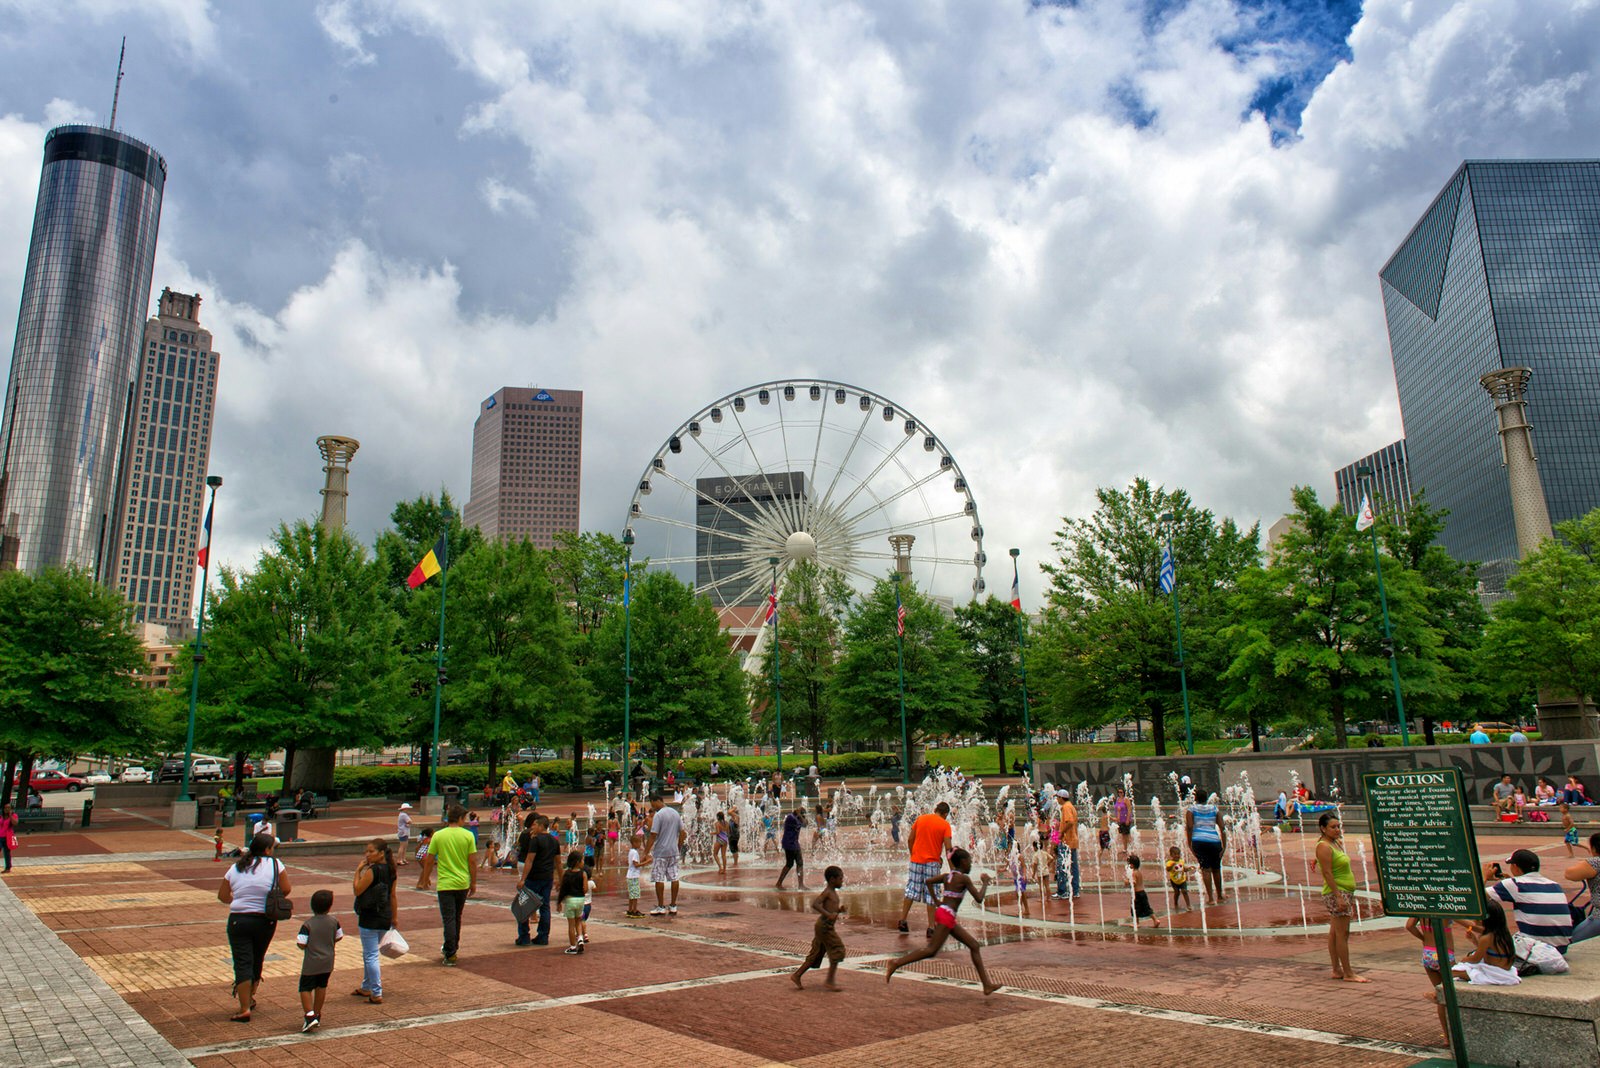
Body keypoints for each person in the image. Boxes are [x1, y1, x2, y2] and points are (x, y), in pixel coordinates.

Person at [884, 848, 1000, 995]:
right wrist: (985, 883)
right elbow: (978, 898)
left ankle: (987, 986)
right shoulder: (964, 879)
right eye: (970, 862)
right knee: (931, 950)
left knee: (974, 945)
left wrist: (937, 901)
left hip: (945, 914)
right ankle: (896, 963)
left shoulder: (948, 876)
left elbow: (928, 881)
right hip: (947, 916)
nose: (971, 865)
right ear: (963, 862)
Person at [217, 832, 291, 1022]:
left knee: (242, 961)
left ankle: (244, 1008)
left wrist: (240, 899)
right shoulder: (276, 865)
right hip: (265, 920)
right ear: (267, 850)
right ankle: (250, 997)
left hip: (238, 920)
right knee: (257, 958)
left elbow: (223, 896)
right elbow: (286, 889)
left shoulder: (235, 867)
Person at [1315, 812, 1368, 982]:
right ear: (1323, 829)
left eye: (1338, 826)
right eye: (1333, 827)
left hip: (1344, 891)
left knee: (1334, 933)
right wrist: (1338, 896)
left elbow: (1327, 862)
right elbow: (1328, 872)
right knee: (1342, 933)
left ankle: (1337, 970)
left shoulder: (1334, 843)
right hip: (1337, 892)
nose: (1337, 829)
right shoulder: (1324, 845)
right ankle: (1348, 973)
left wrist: (1315, 860)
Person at [1490, 848, 1572, 953]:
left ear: (1515, 866)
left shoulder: (1514, 883)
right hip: (1560, 948)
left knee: (1491, 945)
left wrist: (1484, 876)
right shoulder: (1554, 885)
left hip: (1535, 949)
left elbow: (1477, 898)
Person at [351, 839, 398, 1003]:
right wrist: (394, 917)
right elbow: (393, 895)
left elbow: (357, 890)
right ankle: (366, 986)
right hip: (384, 916)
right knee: (369, 954)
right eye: (366, 851)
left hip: (370, 916)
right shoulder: (391, 870)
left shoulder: (374, 870)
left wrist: (358, 871)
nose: (367, 854)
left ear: (381, 853)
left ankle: (376, 991)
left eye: (371, 851)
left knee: (370, 955)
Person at [896, 802, 953, 935]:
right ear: (945, 814)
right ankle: (931, 927)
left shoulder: (921, 819)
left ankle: (903, 920)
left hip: (916, 860)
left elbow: (910, 839)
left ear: (935, 810)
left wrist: (913, 855)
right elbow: (948, 848)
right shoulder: (945, 825)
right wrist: (952, 869)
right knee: (931, 893)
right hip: (932, 863)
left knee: (911, 889)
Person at [431, 806, 478, 965]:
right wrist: (473, 882)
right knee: (457, 917)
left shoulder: (438, 835)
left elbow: (430, 857)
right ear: (459, 818)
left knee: (449, 918)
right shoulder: (468, 836)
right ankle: (453, 947)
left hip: (445, 884)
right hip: (462, 882)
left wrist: (424, 878)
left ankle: (450, 952)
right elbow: (472, 861)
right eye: (464, 818)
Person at [791, 865, 846, 991]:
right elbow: (815, 904)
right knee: (837, 949)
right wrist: (828, 915)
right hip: (824, 927)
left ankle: (797, 975)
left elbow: (830, 909)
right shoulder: (828, 892)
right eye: (840, 878)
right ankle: (830, 981)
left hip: (824, 927)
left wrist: (838, 910)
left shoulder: (833, 893)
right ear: (832, 879)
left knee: (816, 953)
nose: (842, 881)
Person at [295, 889, 343, 1032]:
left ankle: (309, 1015)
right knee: (321, 986)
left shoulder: (308, 924)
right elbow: (339, 936)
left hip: (311, 962)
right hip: (328, 961)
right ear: (329, 906)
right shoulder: (334, 921)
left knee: (305, 987)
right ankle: (317, 1013)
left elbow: (301, 943)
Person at [1405, 916, 1455, 1044]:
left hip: (1428, 953)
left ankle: (1446, 1037)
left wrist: (1423, 938)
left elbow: (1409, 926)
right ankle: (1455, 1033)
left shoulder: (1421, 907)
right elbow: (1467, 922)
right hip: (1444, 953)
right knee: (1451, 994)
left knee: (1441, 996)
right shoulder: (1443, 907)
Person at [1452, 901, 1519, 985]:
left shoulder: (1487, 937)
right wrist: (1475, 941)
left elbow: (1475, 959)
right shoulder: (1500, 932)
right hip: (1503, 970)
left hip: (1496, 974)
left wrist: (1464, 960)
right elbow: (1491, 950)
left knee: (1451, 972)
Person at [517, 813, 558, 946]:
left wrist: (523, 879)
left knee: (523, 906)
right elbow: (558, 863)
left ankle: (524, 937)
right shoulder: (554, 840)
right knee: (545, 907)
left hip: (534, 878)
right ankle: (543, 936)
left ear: (541, 826)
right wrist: (561, 880)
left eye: (535, 824)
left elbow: (529, 860)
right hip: (547, 878)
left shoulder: (536, 840)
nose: (533, 827)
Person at [643, 792, 686, 915]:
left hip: (661, 852)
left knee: (659, 878)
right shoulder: (675, 813)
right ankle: (673, 905)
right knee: (674, 877)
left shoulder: (659, 815)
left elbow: (653, 835)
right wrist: (679, 846)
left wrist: (646, 852)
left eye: (652, 804)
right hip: (673, 851)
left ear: (657, 801)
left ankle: (661, 906)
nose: (653, 807)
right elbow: (682, 832)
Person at [1185, 791, 1227, 905]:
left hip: (1199, 841)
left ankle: (1211, 898)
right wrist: (1224, 845)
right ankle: (1220, 896)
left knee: (1206, 869)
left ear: (1195, 798)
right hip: (1214, 841)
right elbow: (1222, 827)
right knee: (1216, 869)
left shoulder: (1191, 809)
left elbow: (1189, 827)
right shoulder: (1214, 809)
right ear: (1206, 798)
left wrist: (1189, 843)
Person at [1563, 832, 1600, 944]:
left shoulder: (1596, 862)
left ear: (1593, 848)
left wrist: (1585, 863)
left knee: (1571, 942)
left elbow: (1570, 874)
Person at [558, 850, 587, 954]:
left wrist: (559, 902)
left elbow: (563, 889)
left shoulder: (567, 874)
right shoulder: (583, 874)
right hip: (580, 900)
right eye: (582, 860)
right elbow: (585, 889)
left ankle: (573, 947)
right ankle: (580, 939)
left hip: (570, 900)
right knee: (578, 921)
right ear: (577, 862)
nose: (583, 862)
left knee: (571, 925)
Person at [1055, 790, 1080, 898]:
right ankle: (1075, 890)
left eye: (1057, 797)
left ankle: (1062, 891)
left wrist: (1061, 832)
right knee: (1073, 866)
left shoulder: (1065, 807)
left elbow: (1069, 822)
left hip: (1066, 841)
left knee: (1062, 865)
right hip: (1073, 840)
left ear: (1061, 798)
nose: (1056, 799)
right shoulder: (1071, 806)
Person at [776, 805, 806, 891]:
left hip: (793, 843)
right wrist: (800, 815)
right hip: (790, 843)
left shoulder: (797, 818)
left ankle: (800, 884)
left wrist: (801, 815)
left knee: (796, 863)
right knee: (791, 863)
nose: (803, 817)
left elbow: (805, 824)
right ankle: (780, 883)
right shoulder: (791, 817)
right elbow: (803, 823)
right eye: (802, 814)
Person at [1128, 855, 1158, 928]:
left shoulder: (1133, 873)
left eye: (1129, 864)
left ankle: (1137, 923)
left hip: (1137, 894)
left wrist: (1127, 881)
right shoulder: (1139, 872)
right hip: (1143, 892)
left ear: (1132, 865)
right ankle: (1155, 920)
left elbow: (1134, 882)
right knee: (1147, 908)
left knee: (1135, 908)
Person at [1165, 845, 1192, 911]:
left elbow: (1184, 869)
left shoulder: (1181, 861)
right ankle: (1176, 903)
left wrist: (1188, 869)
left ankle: (1188, 905)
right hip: (1174, 881)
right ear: (1171, 855)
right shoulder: (1169, 862)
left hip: (1182, 880)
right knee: (1177, 892)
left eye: (1178, 854)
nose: (1177, 855)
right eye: (1175, 854)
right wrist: (1171, 865)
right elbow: (1168, 869)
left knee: (1184, 891)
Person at [625, 830, 645, 917]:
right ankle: (634, 910)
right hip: (633, 876)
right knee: (635, 894)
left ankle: (630, 910)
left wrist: (644, 860)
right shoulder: (635, 852)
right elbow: (636, 864)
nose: (640, 844)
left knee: (631, 894)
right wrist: (647, 862)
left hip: (630, 875)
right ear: (634, 843)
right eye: (639, 843)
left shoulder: (631, 851)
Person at [1112, 786, 1133, 854]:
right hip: (1120, 819)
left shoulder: (1126, 799)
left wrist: (1128, 819)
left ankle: (1128, 847)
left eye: (1121, 792)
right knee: (1123, 834)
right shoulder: (1118, 799)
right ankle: (1125, 848)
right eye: (1118, 792)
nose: (1120, 793)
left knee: (1126, 834)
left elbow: (1129, 809)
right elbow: (1116, 809)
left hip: (1125, 818)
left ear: (1123, 793)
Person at [1, 802, 17, 873]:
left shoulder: (14, 815)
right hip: (0, 837)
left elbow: (15, 823)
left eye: (8, 808)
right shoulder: (1, 816)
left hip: (7, 837)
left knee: (7, 853)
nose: (6, 809)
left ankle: (8, 867)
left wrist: (10, 815)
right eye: (5, 807)